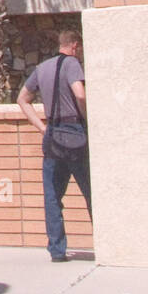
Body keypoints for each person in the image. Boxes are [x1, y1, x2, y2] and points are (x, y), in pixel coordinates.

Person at [18, 29, 92, 261]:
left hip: (53, 137)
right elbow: (79, 94)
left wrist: (42, 128)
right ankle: (106, 244)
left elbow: (22, 99)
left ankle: (57, 251)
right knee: (92, 193)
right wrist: (85, 118)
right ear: (74, 46)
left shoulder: (42, 68)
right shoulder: (71, 64)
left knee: (52, 196)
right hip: (75, 133)